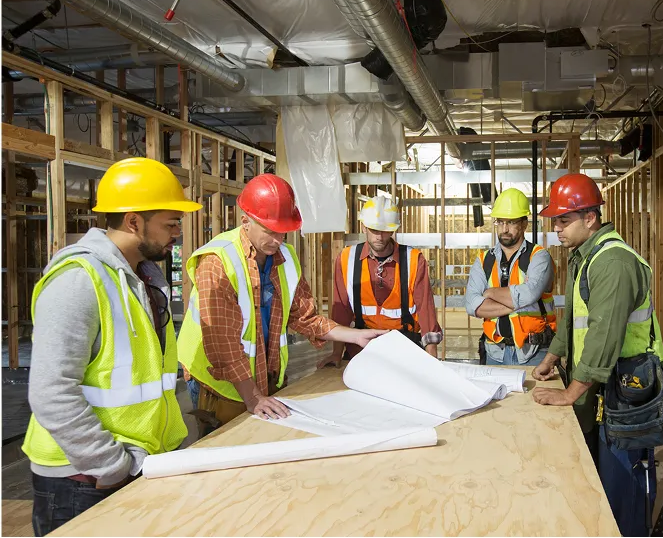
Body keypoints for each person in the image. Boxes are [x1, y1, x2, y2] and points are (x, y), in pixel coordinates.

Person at [24, 158, 200, 536]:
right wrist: (109, 464)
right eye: (170, 224)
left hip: (135, 465)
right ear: (134, 221)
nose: (177, 234)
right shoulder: (78, 282)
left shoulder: (143, 279)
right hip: (82, 479)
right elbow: (51, 392)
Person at [530, 173, 663, 537]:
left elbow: (604, 336)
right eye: (554, 221)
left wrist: (570, 393)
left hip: (629, 391)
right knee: (598, 478)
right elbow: (574, 320)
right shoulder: (585, 256)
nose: (557, 229)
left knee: (622, 483)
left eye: (564, 220)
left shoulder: (612, 262)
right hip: (605, 386)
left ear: (590, 218)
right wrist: (552, 357)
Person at [178, 174, 386, 425]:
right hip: (219, 383)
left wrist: (355, 335)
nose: (277, 241)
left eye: (283, 233)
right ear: (246, 222)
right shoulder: (218, 261)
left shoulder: (284, 257)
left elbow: (304, 316)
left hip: (263, 376)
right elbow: (224, 343)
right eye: (270, 232)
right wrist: (253, 397)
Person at [319, 195, 442, 368]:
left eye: (385, 231)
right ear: (364, 227)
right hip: (361, 351)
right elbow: (341, 310)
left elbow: (426, 310)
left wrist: (432, 360)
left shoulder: (414, 260)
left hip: (405, 349)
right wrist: (337, 353)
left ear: (394, 230)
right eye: (374, 230)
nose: (379, 237)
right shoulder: (347, 259)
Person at [464, 188, 556, 367]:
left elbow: (529, 294)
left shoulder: (538, 257)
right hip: (494, 352)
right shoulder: (484, 260)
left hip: (534, 353)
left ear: (524, 224)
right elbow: (471, 305)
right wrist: (517, 303)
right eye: (500, 222)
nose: (504, 229)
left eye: (511, 222)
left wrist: (489, 292)